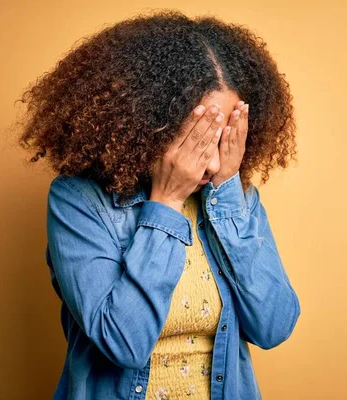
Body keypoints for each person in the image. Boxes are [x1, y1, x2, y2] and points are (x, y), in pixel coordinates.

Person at [15, 9, 301, 400]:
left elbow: (274, 327)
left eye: (223, 140)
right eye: (198, 140)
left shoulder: (234, 199)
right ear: (145, 124)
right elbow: (124, 343)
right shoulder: (78, 201)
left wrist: (229, 195)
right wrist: (166, 202)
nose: (214, 163)